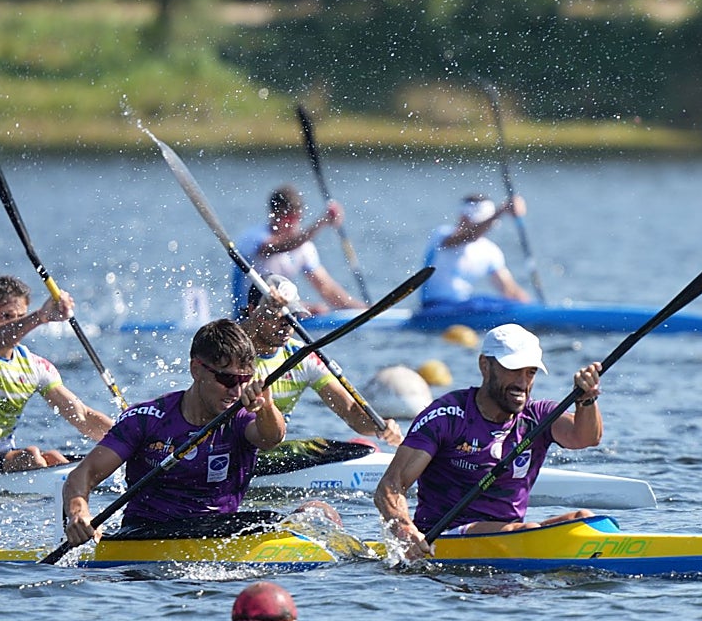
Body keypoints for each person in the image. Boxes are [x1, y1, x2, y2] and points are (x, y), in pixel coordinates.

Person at [374, 323, 603, 560]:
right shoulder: (446, 417)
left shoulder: (538, 417)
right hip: (444, 537)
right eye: (513, 370)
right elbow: (389, 487)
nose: (522, 383)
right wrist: (405, 531)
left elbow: (586, 437)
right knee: (528, 530)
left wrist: (586, 400)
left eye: (530, 372)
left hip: (512, 534)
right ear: (485, 365)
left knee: (584, 519)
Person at [62, 319, 286, 547]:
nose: (236, 391)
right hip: (147, 535)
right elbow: (83, 475)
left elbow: (271, 438)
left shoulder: (241, 416)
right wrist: (79, 512)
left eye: (244, 380)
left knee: (275, 519)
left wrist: (266, 407)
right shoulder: (146, 418)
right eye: (227, 379)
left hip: (218, 532)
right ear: (196, 369)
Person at [0, 275, 114, 473]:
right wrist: (40, 316)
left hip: (4, 461)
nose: (18, 324)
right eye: (7, 316)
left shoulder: (34, 366)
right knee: (31, 456)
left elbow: (83, 416)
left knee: (55, 458)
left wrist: (129, 437)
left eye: (21, 316)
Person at [238, 274, 403, 452]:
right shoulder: (229, 351)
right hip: (230, 448)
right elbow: (234, 334)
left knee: (359, 449)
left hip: (269, 449)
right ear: (253, 310)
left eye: (293, 315)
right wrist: (264, 310)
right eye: (277, 314)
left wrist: (380, 427)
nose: (287, 323)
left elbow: (350, 411)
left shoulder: (302, 357)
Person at [233, 183, 363, 317]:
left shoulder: (304, 248)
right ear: (273, 215)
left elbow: (327, 289)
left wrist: (364, 310)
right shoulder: (253, 238)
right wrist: (322, 222)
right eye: (287, 218)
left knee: (319, 310)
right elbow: (281, 246)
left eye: (296, 218)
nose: (292, 224)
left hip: (280, 311)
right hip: (248, 317)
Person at [420, 193, 531, 307]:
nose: (463, 220)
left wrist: (532, 308)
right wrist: (502, 211)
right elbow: (469, 236)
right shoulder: (442, 234)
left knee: (503, 303)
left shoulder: (491, 251)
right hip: (435, 307)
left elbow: (509, 289)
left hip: (464, 305)